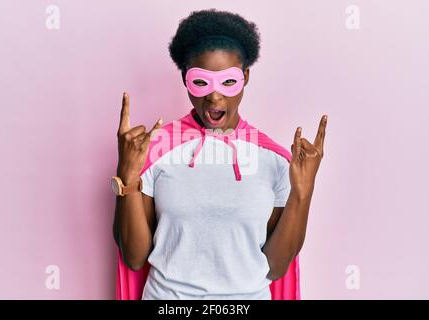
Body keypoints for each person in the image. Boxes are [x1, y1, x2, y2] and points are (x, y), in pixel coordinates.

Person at [112, 8, 327, 300]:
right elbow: (135, 258)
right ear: (186, 79)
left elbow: (275, 267)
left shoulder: (274, 161)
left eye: (228, 82)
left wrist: (303, 191)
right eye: (201, 82)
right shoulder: (154, 151)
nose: (214, 96)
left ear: (245, 77)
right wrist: (128, 175)